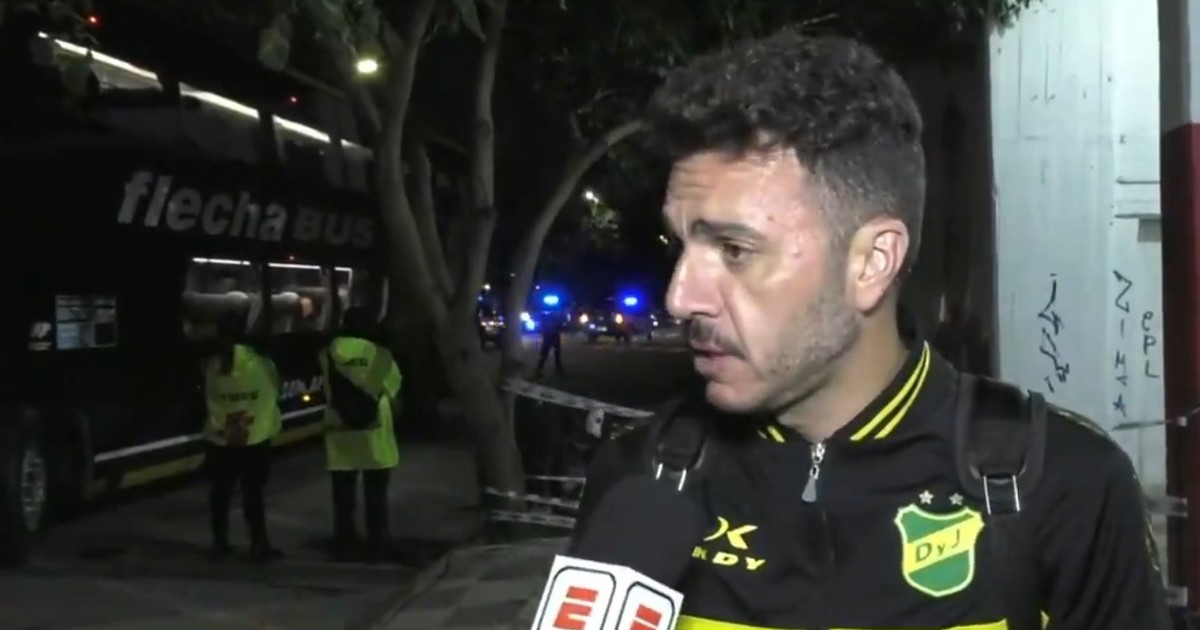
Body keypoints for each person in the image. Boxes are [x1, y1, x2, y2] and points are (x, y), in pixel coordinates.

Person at [571, 30, 1169, 629]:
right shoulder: (641, 476)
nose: (680, 298)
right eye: (680, 244)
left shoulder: (1065, 485)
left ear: (872, 263)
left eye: (734, 249)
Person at [319, 307, 402, 563]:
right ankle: (376, 546)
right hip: (375, 436)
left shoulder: (327, 353)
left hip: (339, 433)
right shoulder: (380, 355)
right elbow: (393, 390)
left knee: (343, 495)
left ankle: (345, 545)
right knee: (376, 494)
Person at [202, 310, 282, 563]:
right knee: (253, 494)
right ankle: (259, 544)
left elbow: (208, 397)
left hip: (220, 439)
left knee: (220, 493)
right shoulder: (263, 364)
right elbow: (274, 391)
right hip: (254, 438)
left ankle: (219, 543)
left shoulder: (211, 366)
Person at [535, 311, 565, 377]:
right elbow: (561, 327)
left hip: (549, 337)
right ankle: (558, 369)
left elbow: (541, 329)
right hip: (553, 337)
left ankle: (539, 369)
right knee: (555, 355)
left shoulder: (545, 319)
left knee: (545, 355)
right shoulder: (555, 318)